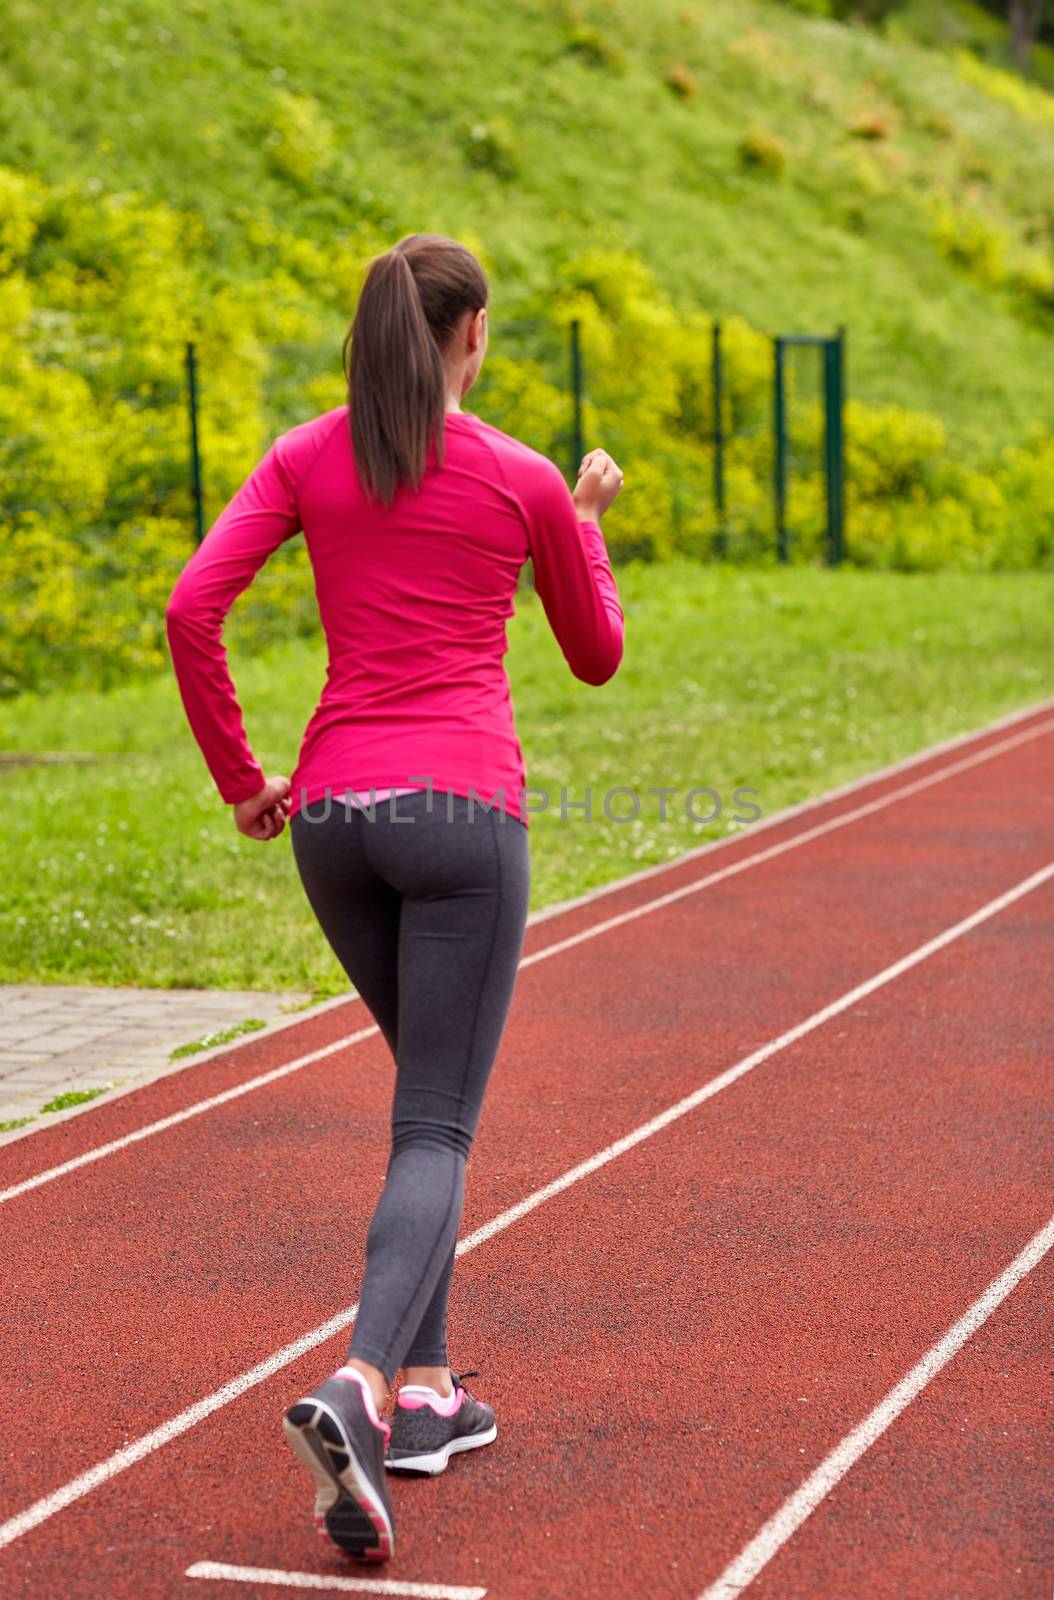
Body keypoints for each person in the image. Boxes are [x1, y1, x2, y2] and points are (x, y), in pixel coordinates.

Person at [165, 232, 625, 1564]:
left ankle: (424, 1394)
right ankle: (362, 1391)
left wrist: (245, 779)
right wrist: (585, 532)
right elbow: (592, 656)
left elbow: (194, 608)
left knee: (424, 1100)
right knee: (436, 1124)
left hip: (332, 823)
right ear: (470, 335)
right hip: (460, 816)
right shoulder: (523, 476)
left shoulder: (310, 453)